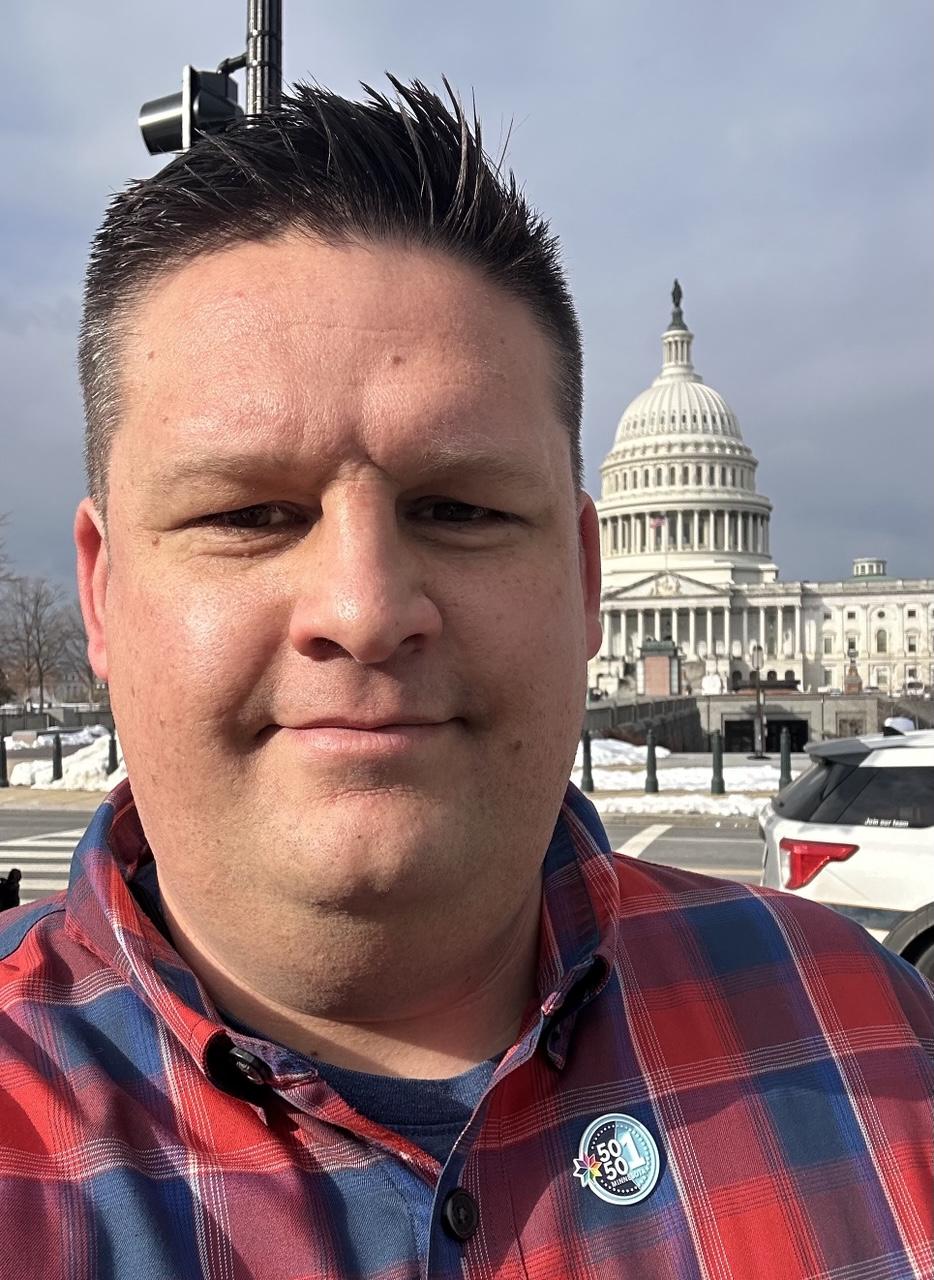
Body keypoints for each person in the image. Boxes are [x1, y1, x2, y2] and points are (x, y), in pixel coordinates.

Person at [0, 79, 931, 1280]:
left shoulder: (880, 1049)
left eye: (461, 507)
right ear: (102, 591)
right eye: (247, 511)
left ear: (591, 574)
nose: (366, 608)